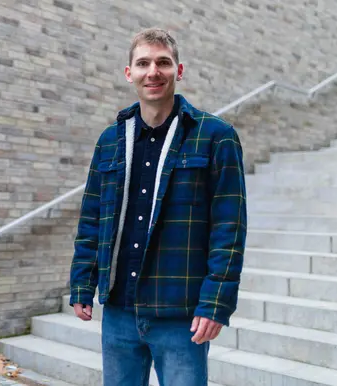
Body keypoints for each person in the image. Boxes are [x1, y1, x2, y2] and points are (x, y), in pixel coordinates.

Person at [69, 28, 247, 386]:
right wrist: (81, 284)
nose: (153, 72)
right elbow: (92, 219)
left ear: (178, 71)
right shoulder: (110, 141)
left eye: (163, 62)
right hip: (119, 311)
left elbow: (229, 229)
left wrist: (216, 303)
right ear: (129, 73)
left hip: (180, 316)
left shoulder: (215, 136)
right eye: (143, 63)